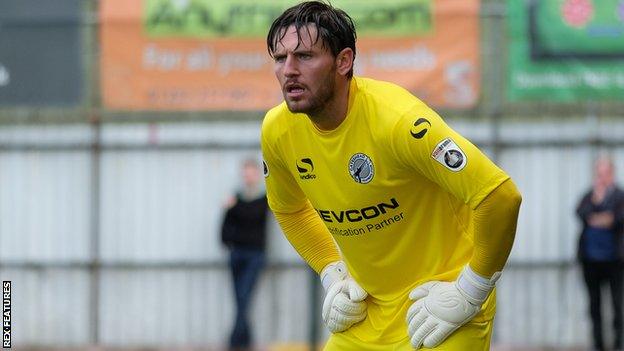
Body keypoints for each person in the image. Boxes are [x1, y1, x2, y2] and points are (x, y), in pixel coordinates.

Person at [260, 1, 522, 350]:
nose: (289, 70)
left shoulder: (398, 121)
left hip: (439, 308)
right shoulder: (277, 130)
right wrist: (332, 274)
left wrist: (471, 290)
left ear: (344, 61)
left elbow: (499, 196)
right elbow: (289, 209)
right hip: (367, 313)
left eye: (305, 56)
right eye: (280, 59)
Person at [576, 156, 624, 351]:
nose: (602, 177)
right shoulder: (590, 195)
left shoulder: (620, 196)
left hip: (615, 261)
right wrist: (597, 201)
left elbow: (617, 218)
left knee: (616, 305)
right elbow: (580, 213)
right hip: (590, 261)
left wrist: (598, 218)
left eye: (605, 173)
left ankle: (618, 345)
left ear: (612, 174)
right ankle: (598, 345)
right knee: (594, 306)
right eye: (599, 173)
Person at [221, 158, 269, 350]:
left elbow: (253, 215)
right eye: (245, 172)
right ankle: (246, 341)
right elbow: (226, 224)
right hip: (237, 253)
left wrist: (235, 207)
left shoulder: (263, 199)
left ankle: (234, 342)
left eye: (251, 172)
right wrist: (227, 243)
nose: (248, 176)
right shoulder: (236, 197)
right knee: (240, 299)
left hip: (255, 255)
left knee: (243, 295)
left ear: (257, 174)